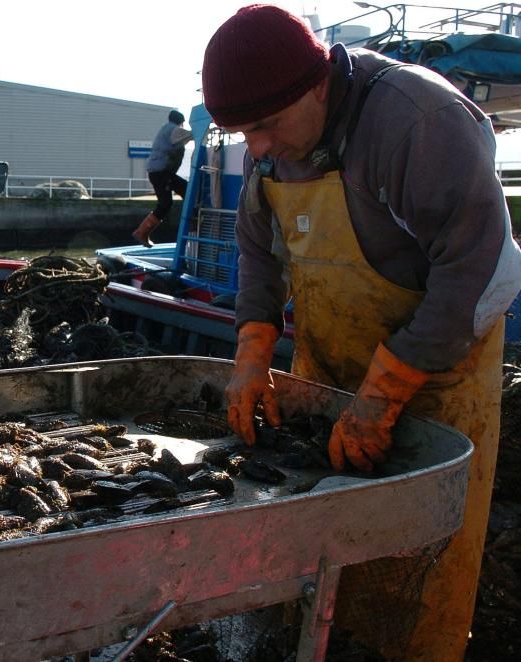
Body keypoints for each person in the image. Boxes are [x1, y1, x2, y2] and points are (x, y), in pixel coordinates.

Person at [202, 4, 521, 660]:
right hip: (329, 374)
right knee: (315, 570)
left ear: (317, 84)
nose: (255, 148)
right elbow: (259, 254)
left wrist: (387, 390)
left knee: (416, 574)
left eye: (265, 126)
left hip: (439, 380)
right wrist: (253, 351)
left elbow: (479, 273)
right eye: (240, 132)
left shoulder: (417, 121)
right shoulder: (272, 152)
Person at [133, 110, 192, 246]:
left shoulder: (166, 129)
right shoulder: (174, 129)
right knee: (185, 192)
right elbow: (193, 135)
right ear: (181, 122)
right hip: (161, 172)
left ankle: (142, 232)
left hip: (158, 172)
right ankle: (141, 232)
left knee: (168, 201)